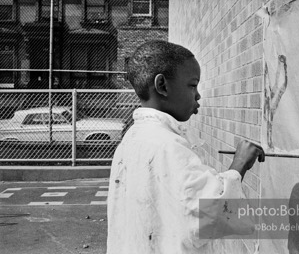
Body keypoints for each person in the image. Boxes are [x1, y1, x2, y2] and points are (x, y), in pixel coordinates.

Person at [107, 40, 265, 254]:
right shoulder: (166, 145)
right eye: (192, 85)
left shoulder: (132, 138)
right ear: (162, 85)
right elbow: (212, 217)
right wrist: (239, 165)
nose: (198, 95)